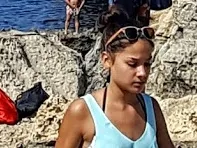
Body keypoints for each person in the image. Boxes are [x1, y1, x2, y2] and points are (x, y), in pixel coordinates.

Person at [53, 15, 174, 148]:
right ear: (107, 60)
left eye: (147, 64)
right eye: (132, 64)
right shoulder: (83, 111)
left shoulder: (151, 108)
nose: (142, 73)